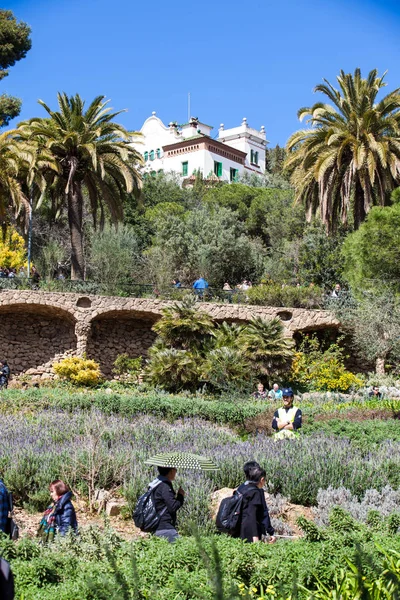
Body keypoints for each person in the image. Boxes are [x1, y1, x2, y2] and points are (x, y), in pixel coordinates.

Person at [237, 462, 275, 544]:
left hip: (238, 528)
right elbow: (257, 514)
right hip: (251, 531)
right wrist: (268, 532)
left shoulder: (241, 488)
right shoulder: (256, 491)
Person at [153, 466, 185, 543]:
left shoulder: (155, 484)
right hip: (165, 528)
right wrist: (180, 496)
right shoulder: (165, 486)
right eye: (175, 469)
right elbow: (173, 507)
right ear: (171, 471)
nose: (176, 472)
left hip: (156, 526)